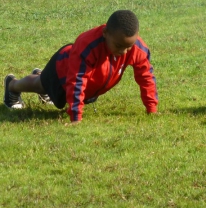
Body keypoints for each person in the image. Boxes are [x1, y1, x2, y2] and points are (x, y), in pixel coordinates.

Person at [4, 10, 158, 124]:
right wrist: (76, 117)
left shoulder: (137, 49)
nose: (124, 52)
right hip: (63, 70)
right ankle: (12, 86)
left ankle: (40, 75)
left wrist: (151, 109)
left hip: (88, 83)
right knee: (40, 85)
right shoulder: (87, 45)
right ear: (105, 33)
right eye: (119, 46)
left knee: (44, 85)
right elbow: (77, 80)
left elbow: (146, 78)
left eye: (128, 47)